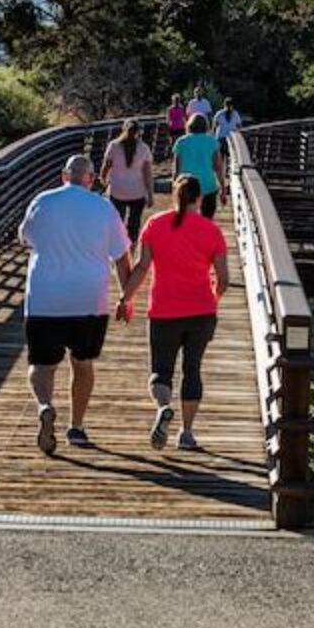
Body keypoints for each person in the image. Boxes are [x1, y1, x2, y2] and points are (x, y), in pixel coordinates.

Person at [18, 154, 133, 454]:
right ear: (92, 179)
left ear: (63, 176)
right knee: (83, 364)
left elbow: (25, 238)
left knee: (41, 366)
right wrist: (126, 296)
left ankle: (45, 406)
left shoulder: (42, 201)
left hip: (46, 299)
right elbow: (122, 257)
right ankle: (76, 427)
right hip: (89, 300)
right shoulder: (105, 208)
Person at [116, 175, 230, 451]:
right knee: (192, 370)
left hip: (164, 311)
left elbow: (142, 267)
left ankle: (164, 407)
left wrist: (125, 298)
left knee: (160, 371)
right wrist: (214, 297)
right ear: (199, 198)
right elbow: (224, 277)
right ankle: (187, 434)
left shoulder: (155, 224)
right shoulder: (211, 230)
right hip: (201, 310)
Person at [99, 119, 154, 245]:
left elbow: (106, 167)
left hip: (117, 191)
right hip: (137, 192)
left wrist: (103, 180)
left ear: (123, 129)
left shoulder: (113, 146)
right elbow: (148, 174)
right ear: (139, 132)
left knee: (117, 223)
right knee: (133, 225)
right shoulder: (144, 148)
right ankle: (131, 250)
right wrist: (150, 194)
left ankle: (118, 251)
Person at [172, 112, 226, 218]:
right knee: (207, 220)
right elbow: (218, 167)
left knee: (186, 220)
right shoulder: (212, 141)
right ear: (206, 126)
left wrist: (174, 188)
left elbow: (176, 169)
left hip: (187, 186)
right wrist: (223, 189)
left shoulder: (181, 142)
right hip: (208, 186)